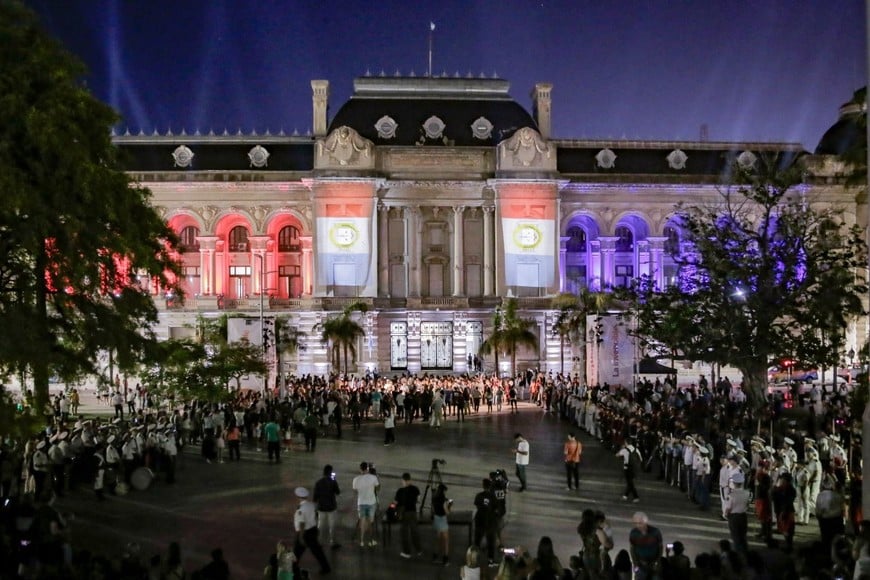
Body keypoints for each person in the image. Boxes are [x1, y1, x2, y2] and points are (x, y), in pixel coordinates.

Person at [292, 486, 331, 576]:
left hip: (304, 533)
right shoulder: (312, 505)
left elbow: (301, 523)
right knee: (317, 551)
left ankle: (292, 569)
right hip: (313, 530)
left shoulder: (300, 509)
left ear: (298, 497)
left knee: (296, 553)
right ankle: (326, 568)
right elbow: (316, 513)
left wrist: (301, 537)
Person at [577, 509, 612, 580]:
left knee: (590, 574)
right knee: (595, 574)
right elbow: (606, 543)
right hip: (595, 555)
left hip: (586, 554)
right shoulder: (596, 529)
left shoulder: (581, 528)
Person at [313, 464, 341, 549]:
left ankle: (319, 542)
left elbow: (315, 498)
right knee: (332, 526)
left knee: (320, 526)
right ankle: (333, 542)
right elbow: (338, 492)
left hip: (321, 507)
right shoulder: (333, 482)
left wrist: (316, 508)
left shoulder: (318, 482)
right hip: (331, 507)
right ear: (330, 472)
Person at [352, 462, 380, 548]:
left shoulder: (356, 479)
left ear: (360, 469)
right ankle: (371, 541)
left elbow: (355, 490)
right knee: (370, 522)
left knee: (362, 521)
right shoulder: (373, 477)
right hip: (371, 502)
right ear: (367, 469)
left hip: (361, 502)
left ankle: (362, 541)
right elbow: (378, 488)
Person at [394, 472, 422, 558]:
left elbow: (395, 503)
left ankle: (407, 552)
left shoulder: (400, 491)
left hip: (404, 513)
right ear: (410, 480)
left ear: (403, 480)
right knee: (415, 532)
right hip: (413, 512)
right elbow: (418, 500)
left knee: (404, 533)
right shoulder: (416, 489)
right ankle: (419, 550)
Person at [628, 512, 663, 580]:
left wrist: (657, 561)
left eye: (640, 523)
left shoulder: (655, 532)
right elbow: (632, 549)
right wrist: (635, 563)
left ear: (646, 522)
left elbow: (660, 547)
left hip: (653, 563)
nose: (638, 525)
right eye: (636, 523)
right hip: (641, 564)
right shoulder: (634, 533)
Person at [723, 470, 750, 554]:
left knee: (736, 537)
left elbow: (728, 508)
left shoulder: (731, 495)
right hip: (743, 516)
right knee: (743, 536)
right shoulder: (747, 493)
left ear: (734, 483)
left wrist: (725, 515)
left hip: (734, 517)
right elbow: (748, 504)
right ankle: (745, 552)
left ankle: (738, 553)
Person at [473, 478, 498, 566]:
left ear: (483, 486)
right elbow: (496, 508)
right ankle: (490, 560)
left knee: (477, 541)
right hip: (490, 521)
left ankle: (473, 559)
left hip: (480, 520)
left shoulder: (479, 496)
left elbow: (477, 505)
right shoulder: (493, 497)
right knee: (491, 541)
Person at [771, 472, 796, 552]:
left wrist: (783, 511)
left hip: (786, 511)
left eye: (782, 479)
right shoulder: (782, 488)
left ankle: (789, 546)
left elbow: (788, 501)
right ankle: (788, 545)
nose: (780, 480)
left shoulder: (789, 489)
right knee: (786, 530)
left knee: (788, 530)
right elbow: (774, 495)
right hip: (782, 511)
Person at [431, 483, 451, 566]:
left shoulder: (434, 498)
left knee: (438, 539)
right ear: (443, 491)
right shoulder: (444, 499)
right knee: (446, 540)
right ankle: (445, 559)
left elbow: (432, 509)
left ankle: (435, 557)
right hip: (442, 519)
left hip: (436, 518)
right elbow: (446, 512)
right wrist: (450, 506)